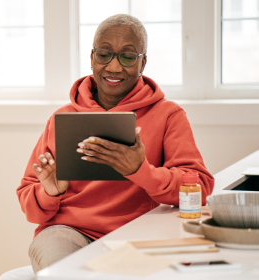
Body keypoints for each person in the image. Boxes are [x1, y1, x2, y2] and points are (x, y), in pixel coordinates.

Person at [16, 14, 214, 273]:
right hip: (67, 233)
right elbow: (31, 207)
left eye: (128, 57)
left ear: (143, 62)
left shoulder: (168, 115)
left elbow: (198, 186)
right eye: (104, 54)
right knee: (63, 273)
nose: (114, 67)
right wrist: (50, 192)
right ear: (91, 58)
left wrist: (140, 171)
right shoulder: (61, 118)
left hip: (141, 232)